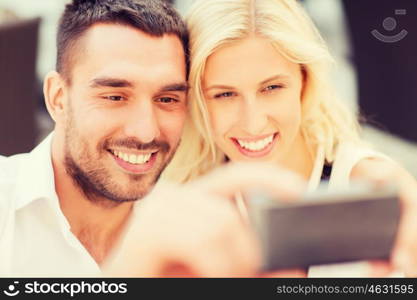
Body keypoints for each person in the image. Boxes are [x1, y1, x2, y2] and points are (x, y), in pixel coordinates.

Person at [0, 0, 310, 278]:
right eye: (115, 96)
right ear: (57, 98)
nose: (145, 132)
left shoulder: (202, 236)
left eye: (167, 99)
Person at [162, 0, 417, 277]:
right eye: (225, 94)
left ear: (304, 82)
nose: (253, 123)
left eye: (272, 87)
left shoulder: (375, 186)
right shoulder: (192, 202)